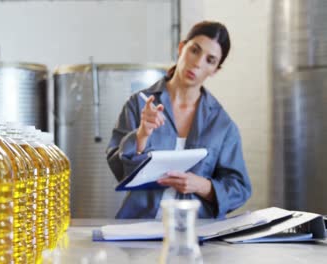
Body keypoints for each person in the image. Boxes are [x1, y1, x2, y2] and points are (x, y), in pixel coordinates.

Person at [106, 21, 252, 219]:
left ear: (215, 70)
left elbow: (239, 188)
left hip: (198, 232)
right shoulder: (139, 104)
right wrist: (141, 136)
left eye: (210, 60)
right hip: (139, 227)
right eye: (194, 50)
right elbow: (119, 169)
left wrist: (202, 186)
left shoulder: (222, 124)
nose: (198, 63)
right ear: (182, 48)